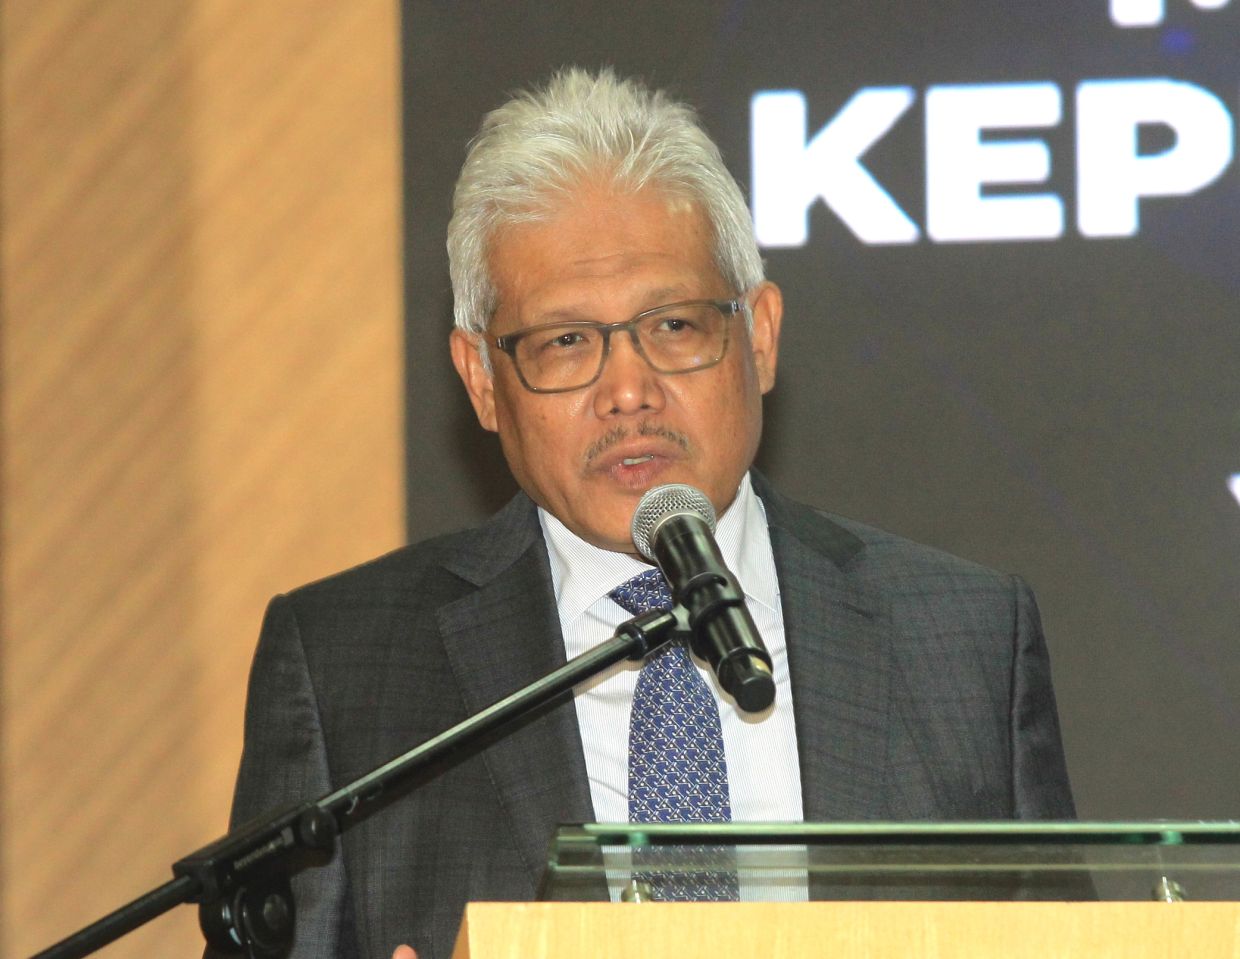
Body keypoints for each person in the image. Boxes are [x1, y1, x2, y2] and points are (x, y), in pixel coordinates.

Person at [218, 67, 1074, 959]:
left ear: (760, 335)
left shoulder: (962, 639)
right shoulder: (346, 668)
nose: (628, 390)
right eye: (565, 342)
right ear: (482, 380)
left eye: (673, 326)